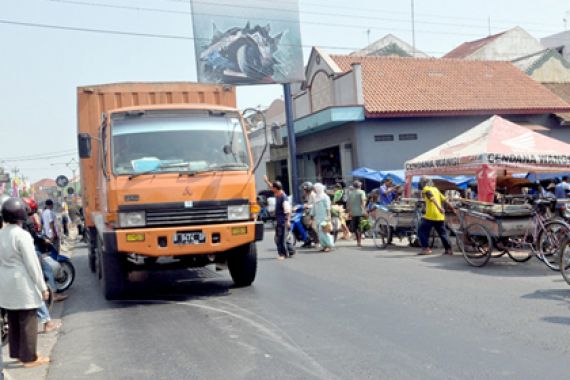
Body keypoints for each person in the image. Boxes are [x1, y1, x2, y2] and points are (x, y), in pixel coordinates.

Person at [0, 198, 50, 368]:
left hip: (5, 283)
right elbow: (32, 264)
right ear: (21, 214)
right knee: (28, 320)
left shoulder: (1, 234)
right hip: (22, 283)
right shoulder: (22, 235)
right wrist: (42, 287)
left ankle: (17, 353)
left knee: (13, 318)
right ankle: (29, 358)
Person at [417, 177, 454, 256]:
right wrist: (453, 208)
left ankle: (426, 249)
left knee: (421, 231)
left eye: (422, 182)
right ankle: (449, 250)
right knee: (443, 233)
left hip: (431, 215)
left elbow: (432, 198)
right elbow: (445, 200)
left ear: (424, 183)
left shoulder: (426, 189)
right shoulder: (436, 189)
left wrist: (439, 207)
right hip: (440, 216)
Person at [270, 180, 295, 260]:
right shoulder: (278, 194)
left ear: (276, 188)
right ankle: (291, 250)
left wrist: (287, 221)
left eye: (273, 188)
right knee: (279, 237)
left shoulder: (283, 197)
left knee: (281, 238)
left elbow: (288, 210)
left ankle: (284, 254)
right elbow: (271, 186)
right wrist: (267, 181)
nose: (271, 189)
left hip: (283, 221)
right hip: (279, 221)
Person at [312, 183, 334, 252]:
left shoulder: (325, 197)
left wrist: (329, 216)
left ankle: (329, 245)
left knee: (323, 232)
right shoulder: (316, 197)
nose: (314, 190)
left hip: (324, 217)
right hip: (317, 218)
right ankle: (324, 246)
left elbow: (328, 207)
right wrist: (312, 215)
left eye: (315, 188)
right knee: (319, 233)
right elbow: (314, 207)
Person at [347, 180, 367, 247]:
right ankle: (359, 241)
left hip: (353, 212)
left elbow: (348, 204)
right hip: (360, 212)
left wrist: (349, 212)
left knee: (355, 228)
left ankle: (358, 240)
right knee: (360, 227)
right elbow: (363, 202)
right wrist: (364, 210)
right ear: (360, 186)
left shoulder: (351, 193)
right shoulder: (362, 192)